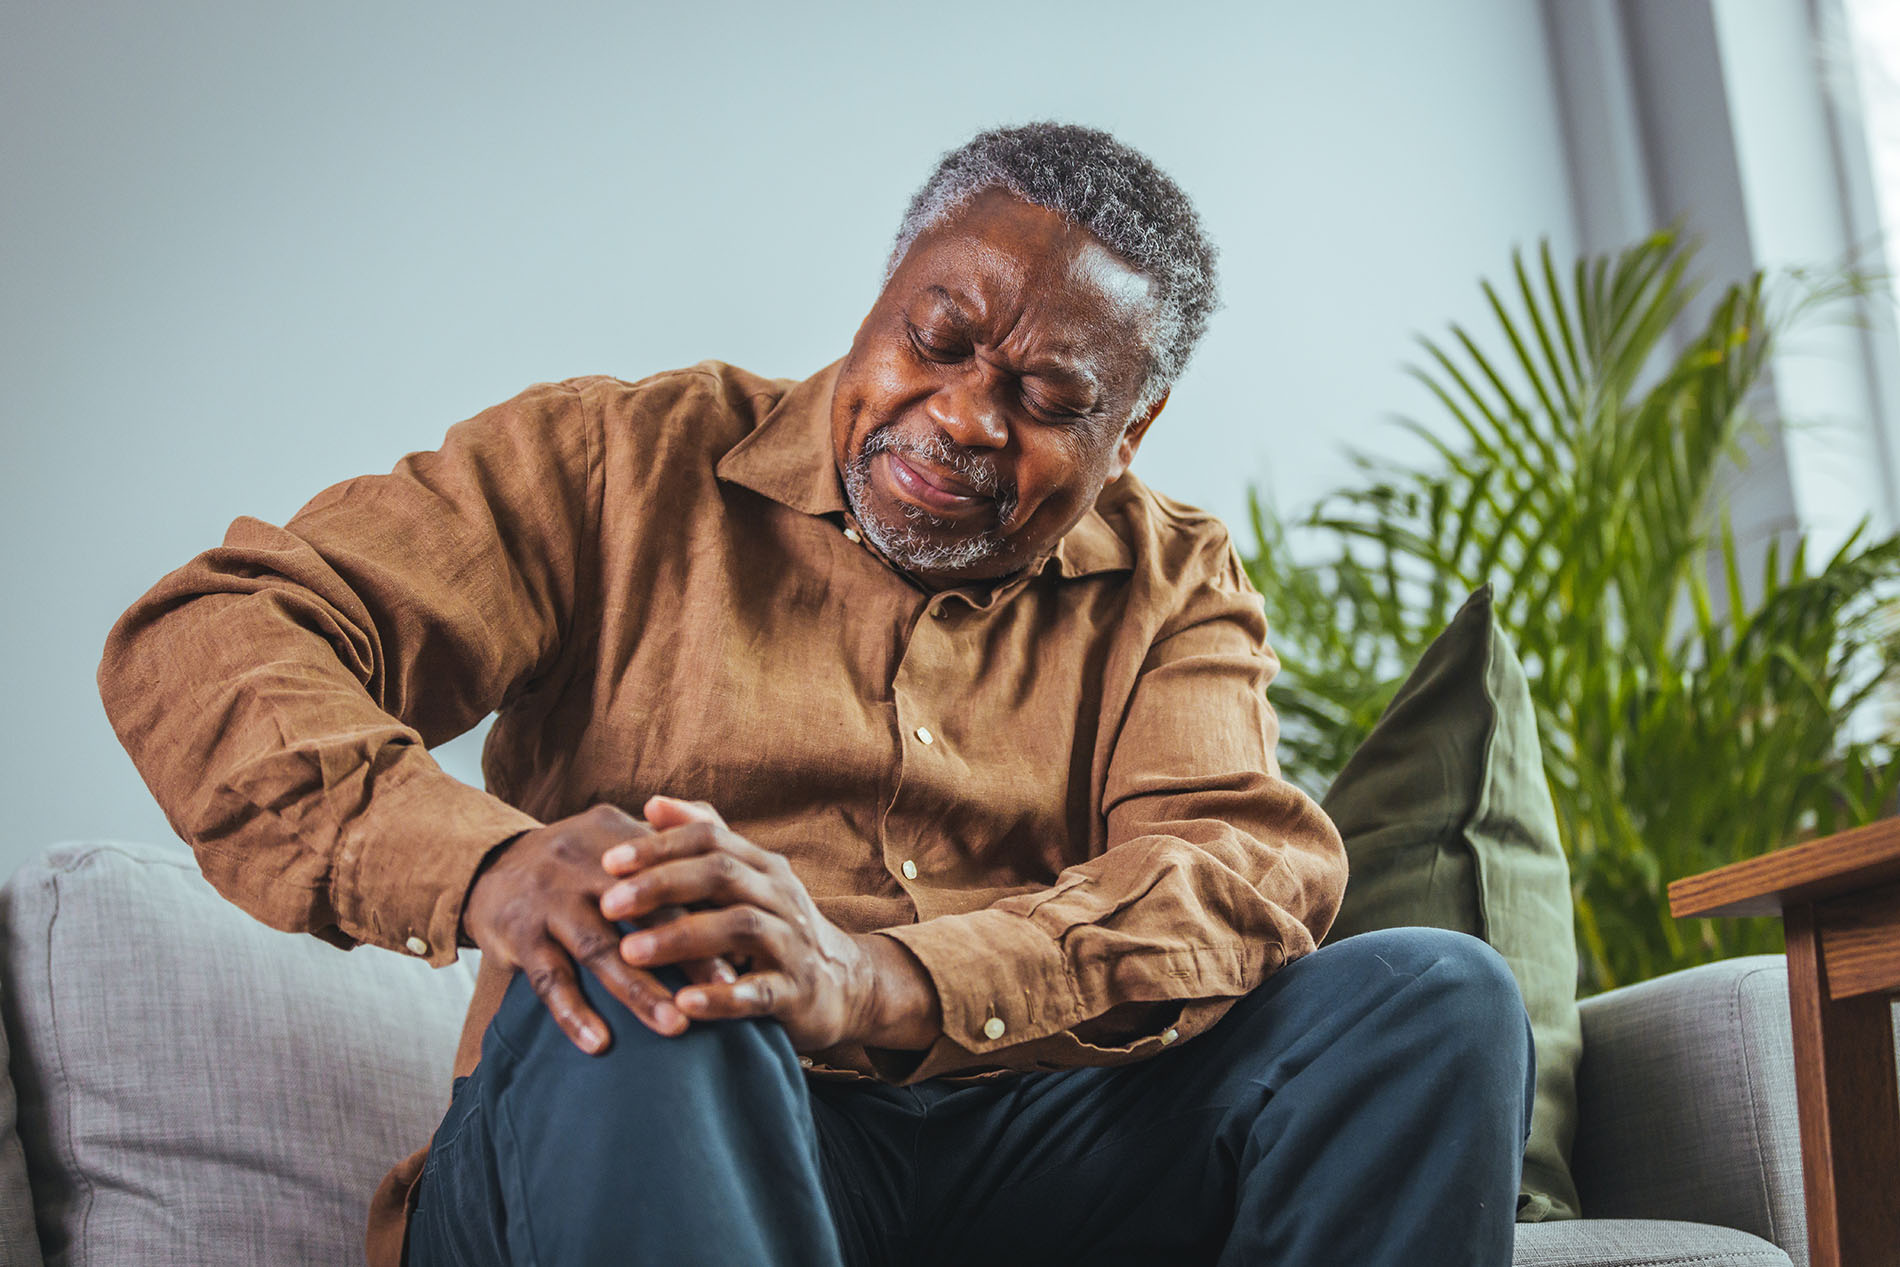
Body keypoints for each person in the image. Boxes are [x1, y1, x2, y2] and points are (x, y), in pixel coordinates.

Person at [99, 122, 1535, 1266]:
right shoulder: (614, 461)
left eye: (1046, 400)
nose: (966, 415)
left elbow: (1231, 873)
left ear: (1133, 426)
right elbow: (215, 632)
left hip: (1004, 1144)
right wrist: (489, 862)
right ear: (880, 297)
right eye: (940, 336)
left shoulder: (1172, 585)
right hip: (635, 1122)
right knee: (663, 942)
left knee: (1433, 1000)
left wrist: (878, 982)